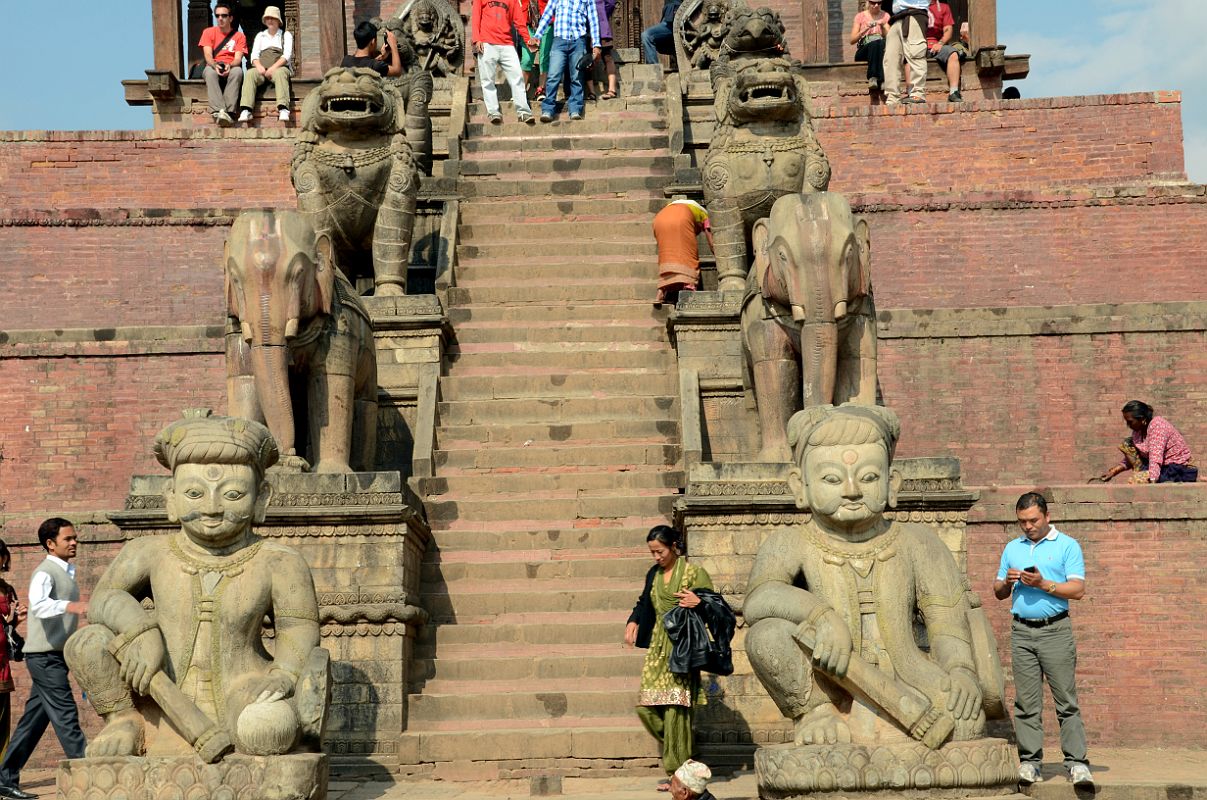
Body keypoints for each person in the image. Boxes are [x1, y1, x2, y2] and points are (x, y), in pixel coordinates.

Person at [993, 493, 1093, 788]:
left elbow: (1077, 590)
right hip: (1021, 631)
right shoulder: (1013, 547)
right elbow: (997, 591)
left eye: (1033, 520)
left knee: (1066, 700)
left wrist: (1042, 584)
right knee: (1026, 702)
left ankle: (1077, 763)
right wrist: (1006, 582)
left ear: (1047, 517)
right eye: (1022, 521)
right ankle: (1030, 762)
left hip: (1055, 630)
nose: (1027, 526)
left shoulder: (1066, 546)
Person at [0, 519, 88, 800]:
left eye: (75, 538)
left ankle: (4, 778)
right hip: (44, 657)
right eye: (68, 539)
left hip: (54, 656)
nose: (74, 543)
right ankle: (90, 772)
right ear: (50, 544)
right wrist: (72, 606)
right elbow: (38, 604)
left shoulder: (66, 571)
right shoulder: (44, 572)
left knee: (34, 722)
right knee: (66, 714)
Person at [624, 526, 713, 788]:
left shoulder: (693, 573)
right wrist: (633, 621)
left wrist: (699, 601)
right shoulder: (654, 574)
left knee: (676, 709)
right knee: (645, 707)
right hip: (657, 648)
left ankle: (677, 773)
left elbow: (715, 603)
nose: (656, 557)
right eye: (652, 552)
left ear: (674, 546)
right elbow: (643, 602)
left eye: (660, 551)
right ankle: (688, 752)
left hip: (682, 648)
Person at [1092, 400, 1197, 484]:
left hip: (1178, 469)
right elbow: (1131, 457)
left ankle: (1165, 481)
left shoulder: (1158, 425)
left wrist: (1152, 483)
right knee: (1127, 443)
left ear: (1142, 419)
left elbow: (1156, 456)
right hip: (1161, 468)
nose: (1128, 425)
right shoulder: (1138, 432)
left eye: (1130, 422)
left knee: (1135, 480)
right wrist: (1113, 472)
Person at [531, 0, 602, 122]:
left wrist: (596, 44)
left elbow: (593, 19)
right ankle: (548, 109)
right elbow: (547, 14)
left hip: (578, 40)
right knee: (553, 75)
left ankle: (575, 109)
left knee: (577, 77)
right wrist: (537, 36)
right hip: (559, 41)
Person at [472, 0, 537, 124]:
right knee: (487, 81)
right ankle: (493, 112)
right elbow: (476, 17)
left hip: (507, 43)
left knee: (518, 77)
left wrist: (528, 40)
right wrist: (477, 39)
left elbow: (519, 21)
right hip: (487, 42)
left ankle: (523, 112)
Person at [237, 6, 294, 124]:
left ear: (278, 20)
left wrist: (273, 68)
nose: (270, 20)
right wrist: (259, 67)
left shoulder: (285, 35)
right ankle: (246, 109)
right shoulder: (260, 36)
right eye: (268, 18)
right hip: (262, 69)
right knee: (250, 73)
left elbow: (286, 56)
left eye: (272, 18)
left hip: (279, 68)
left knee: (280, 73)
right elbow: (254, 56)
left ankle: (283, 108)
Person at [652, 199, 713, 308]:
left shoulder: (677, 205)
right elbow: (710, 237)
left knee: (667, 256)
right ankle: (688, 288)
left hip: (659, 220)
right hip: (682, 219)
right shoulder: (705, 214)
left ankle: (660, 294)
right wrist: (716, 252)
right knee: (688, 256)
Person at [198, 2, 248, 127]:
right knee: (209, 73)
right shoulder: (208, 32)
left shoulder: (239, 36)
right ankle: (219, 111)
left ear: (230, 18)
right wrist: (215, 65)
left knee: (238, 72)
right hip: (213, 65)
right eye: (217, 15)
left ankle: (229, 112)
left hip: (231, 65)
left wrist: (229, 66)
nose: (220, 18)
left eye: (224, 15)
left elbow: (238, 58)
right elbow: (208, 55)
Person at [0, 542, 26, 765]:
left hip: (1, 663)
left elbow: (9, 627)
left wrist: (15, 621)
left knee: (2, 723)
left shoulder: (7, 590)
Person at [882, 0, 927, 107]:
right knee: (890, 59)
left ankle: (918, 93)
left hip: (914, 13)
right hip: (897, 18)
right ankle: (892, 96)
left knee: (915, 54)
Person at [925, 1, 964, 102]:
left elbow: (948, 30)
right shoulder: (914, 6)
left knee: (953, 53)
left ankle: (954, 92)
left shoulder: (943, 7)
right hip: (917, 45)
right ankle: (911, 93)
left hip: (936, 45)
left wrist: (940, 43)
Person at [850, 0, 889, 92]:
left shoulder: (885, 16)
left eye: (879, 3)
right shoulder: (860, 16)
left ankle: (879, 79)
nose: (876, 5)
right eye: (873, 3)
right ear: (868, 2)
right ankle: (875, 77)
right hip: (864, 49)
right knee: (875, 43)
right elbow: (852, 40)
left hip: (880, 47)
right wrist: (864, 30)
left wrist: (882, 25)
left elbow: (890, 36)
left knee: (881, 43)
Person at [587, 0, 619, 100]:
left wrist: (602, 14)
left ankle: (609, 90)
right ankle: (595, 91)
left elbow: (611, 3)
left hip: (596, 26)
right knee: (588, 59)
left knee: (605, 57)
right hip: (591, 26)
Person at [642, 0, 682, 66]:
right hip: (668, 19)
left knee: (647, 36)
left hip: (676, 21)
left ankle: (654, 71)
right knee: (649, 37)